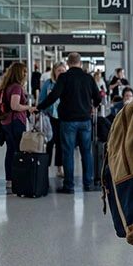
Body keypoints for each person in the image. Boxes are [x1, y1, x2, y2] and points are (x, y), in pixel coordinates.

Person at [36, 53, 102, 194]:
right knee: (86, 152)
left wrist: (40, 106)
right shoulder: (88, 78)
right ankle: (88, 183)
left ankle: (69, 185)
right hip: (85, 120)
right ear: (80, 63)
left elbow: (54, 96)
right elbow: (97, 97)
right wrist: (93, 105)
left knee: (68, 152)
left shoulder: (64, 78)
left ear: (68, 63)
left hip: (68, 121)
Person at [0, 62, 37, 193]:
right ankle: (16, 178)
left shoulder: (7, 86)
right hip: (15, 122)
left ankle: (10, 179)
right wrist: (28, 107)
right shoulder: (16, 87)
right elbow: (15, 105)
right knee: (17, 151)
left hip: (7, 122)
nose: (26, 75)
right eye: (25, 72)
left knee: (10, 150)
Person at [39, 61, 66, 178]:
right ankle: (47, 167)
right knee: (49, 142)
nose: (61, 73)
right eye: (59, 70)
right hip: (50, 116)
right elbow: (42, 98)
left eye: (63, 70)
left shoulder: (67, 83)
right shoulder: (48, 84)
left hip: (63, 116)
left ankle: (60, 167)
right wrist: (42, 111)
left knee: (61, 143)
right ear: (54, 71)